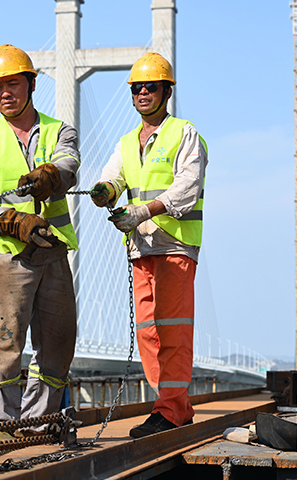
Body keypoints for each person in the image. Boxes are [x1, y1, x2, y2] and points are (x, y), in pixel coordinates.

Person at [0, 44, 79, 438]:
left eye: (12, 84)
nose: (4, 93)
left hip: (52, 252)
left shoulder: (59, 131)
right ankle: (1, 426)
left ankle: (37, 424)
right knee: (3, 343)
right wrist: (12, 220)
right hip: (7, 258)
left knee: (59, 342)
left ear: (31, 84)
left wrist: (50, 175)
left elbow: (68, 164)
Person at [90, 52, 208, 438]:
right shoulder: (127, 143)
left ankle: (170, 410)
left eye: (150, 86)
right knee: (148, 331)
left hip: (174, 247)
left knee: (172, 330)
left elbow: (187, 188)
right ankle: (171, 406)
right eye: (136, 88)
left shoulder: (184, 134)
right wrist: (104, 191)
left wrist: (144, 211)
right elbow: (113, 178)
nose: (142, 92)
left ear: (167, 91)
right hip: (141, 248)